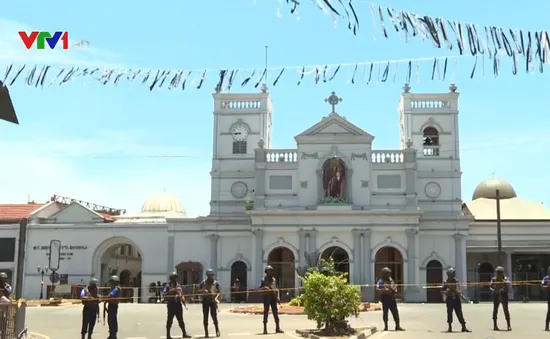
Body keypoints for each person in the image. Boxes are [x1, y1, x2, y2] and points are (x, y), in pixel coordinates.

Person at [441, 268, 470, 333]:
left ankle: (463, 327)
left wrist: (457, 291)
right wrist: (448, 291)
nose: (453, 275)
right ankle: (450, 327)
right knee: (449, 313)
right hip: (449, 299)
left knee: (459, 313)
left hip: (456, 298)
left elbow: (458, 290)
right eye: (453, 274)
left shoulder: (456, 281)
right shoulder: (445, 282)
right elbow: (442, 291)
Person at [163, 272, 191, 339]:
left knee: (181, 320)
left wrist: (184, 302)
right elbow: (164, 294)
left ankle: (184, 333)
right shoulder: (168, 286)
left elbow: (181, 294)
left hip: (178, 304)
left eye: (176, 278)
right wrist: (172, 290)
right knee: (170, 320)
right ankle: (168, 335)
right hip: (171, 304)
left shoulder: (178, 286)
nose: (175, 280)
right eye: (174, 278)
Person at [375, 267, 405, 331]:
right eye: (387, 273)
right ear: (384, 274)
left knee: (395, 313)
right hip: (385, 299)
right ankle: (386, 326)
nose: (389, 275)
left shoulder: (391, 280)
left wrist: (392, 289)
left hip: (392, 298)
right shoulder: (381, 281)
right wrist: (383, 290)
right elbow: (377, 289)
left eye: (389, 273)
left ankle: (397, 326)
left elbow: (395, 289)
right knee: (385, 313)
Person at [259, 265, 283, 334]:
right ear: (266, 272)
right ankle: (265, 329)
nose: (271, 272)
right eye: (269, 271)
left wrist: (278, 297)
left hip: (273, 298)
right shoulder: (263, 280)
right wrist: (264, 288)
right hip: (266, 298)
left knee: (275, 312)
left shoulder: (274, 280)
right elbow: (259, 288)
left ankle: (277, 328)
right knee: (266, 312)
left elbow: (277, 289)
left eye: (271, 271)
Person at [199, 269, 220, 338]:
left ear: (213, 275)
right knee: (205, 317)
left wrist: (216, 298)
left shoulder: (216, 283)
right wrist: (203, 291)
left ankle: (217, 330)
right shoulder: (203, 282)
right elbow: (199, 291)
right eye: (208, 275)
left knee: (214, 317)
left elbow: (219, 292)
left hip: (212, 301)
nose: (210, 276)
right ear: (207, 275)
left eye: (211, 275)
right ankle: (206, 333)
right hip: (205, 301)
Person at [489, 266, 511, 331]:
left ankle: (508, 325)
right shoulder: (493, 279)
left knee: (506, 310)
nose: (497, 274)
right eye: (497, 272)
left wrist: (502, 279)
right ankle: (495, 325)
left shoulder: (506, 279)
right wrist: (494, 291)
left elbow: (508, 285)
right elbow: (490, 287)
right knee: (495, 310)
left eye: (499, 272)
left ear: (502, 273)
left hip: (504, 296)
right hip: (496, 296)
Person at [541, 266, 550, 331]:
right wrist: (548, 286)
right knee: (549, 311)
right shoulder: (546, 278)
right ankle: (547, 325)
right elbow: (542, 287)